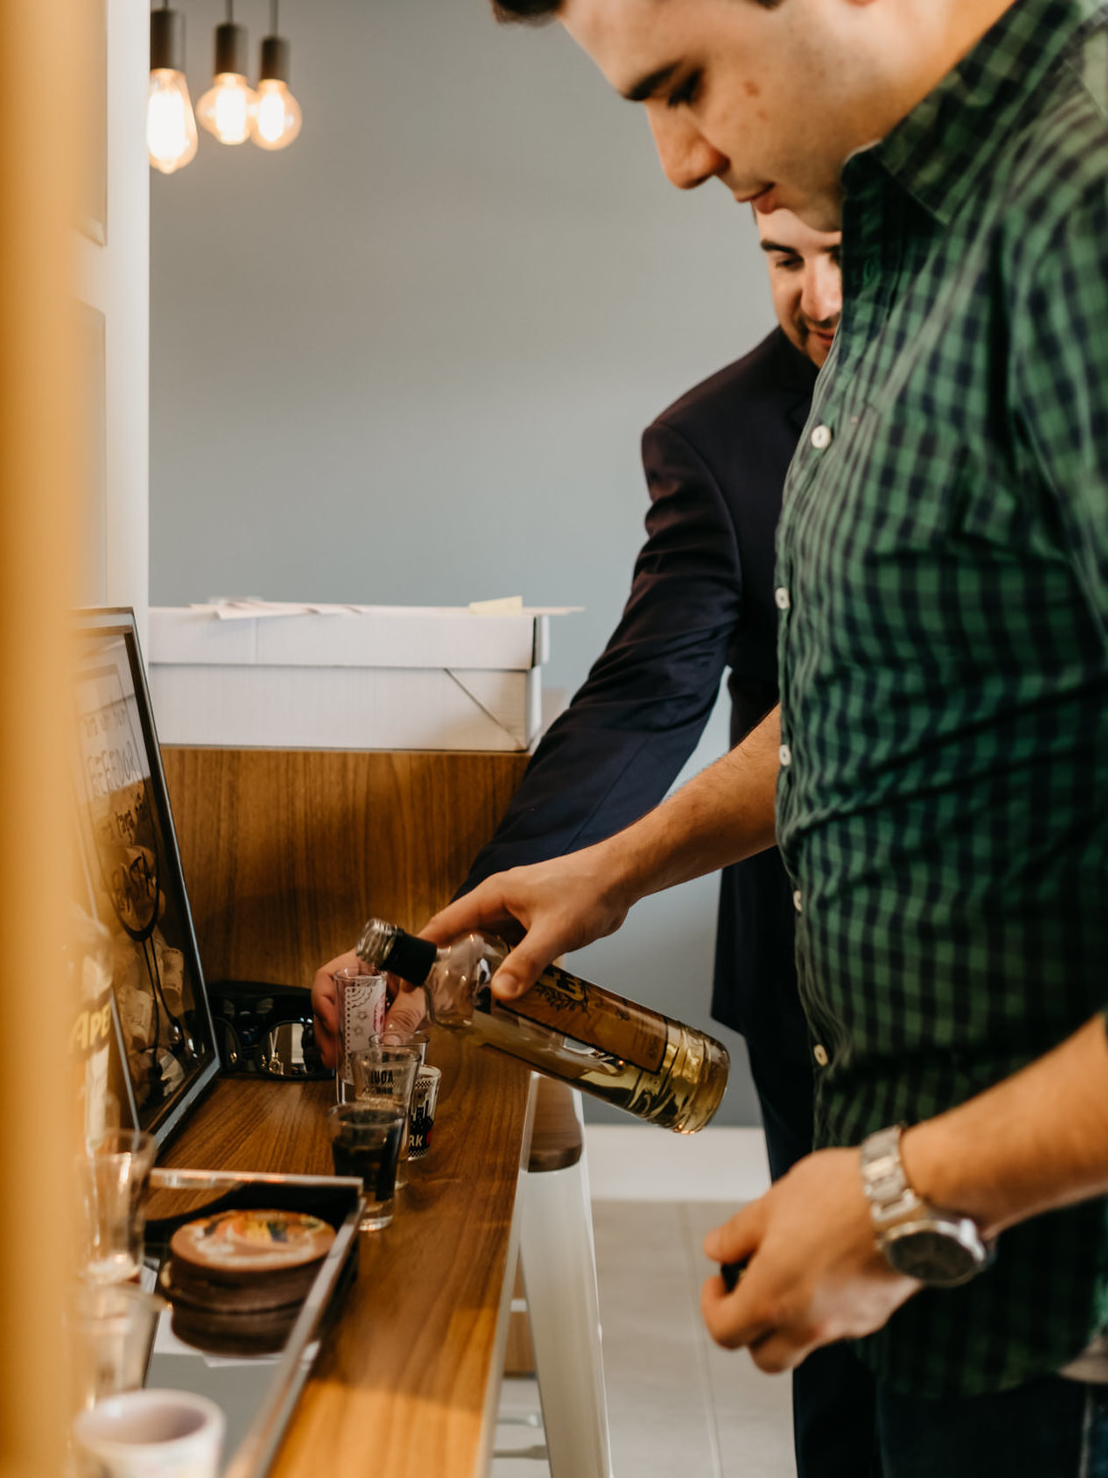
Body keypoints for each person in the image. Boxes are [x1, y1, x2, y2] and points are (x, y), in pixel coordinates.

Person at [421, 0, 1108, 1470]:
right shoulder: (906, 225)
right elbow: (904, 679)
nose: (679, 160)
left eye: (684, 83)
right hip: (955, 1298)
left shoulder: (1087, 201)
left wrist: (890, 1196)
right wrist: (623, 860)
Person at [313, 208, 866, 1476]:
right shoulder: (714, 439)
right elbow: (641, 702)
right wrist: (451, 934)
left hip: (1011, 973)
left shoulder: (1000, 394)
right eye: (785, 259)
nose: (819, 297)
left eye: (844, 251)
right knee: (837, 1367)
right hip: (808, 967)